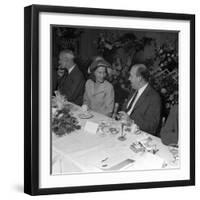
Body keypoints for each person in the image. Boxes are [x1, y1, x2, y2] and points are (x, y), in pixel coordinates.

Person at [119, 64, 161, 135]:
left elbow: (152, 126)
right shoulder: (134, 90)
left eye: (131, 76)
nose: (129, 78)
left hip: (138, 134)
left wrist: (131, 122)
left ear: (139, 78)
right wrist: (121, 115)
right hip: (124, 128)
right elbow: (126, 109)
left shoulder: (154, 97)